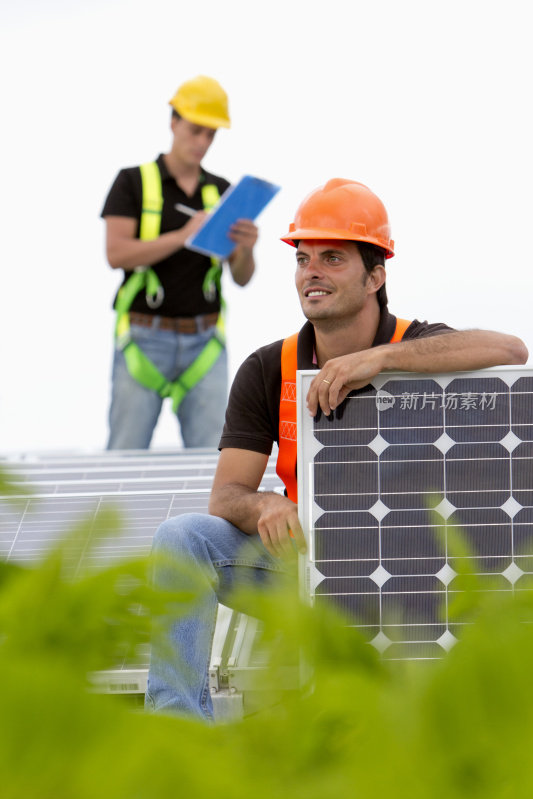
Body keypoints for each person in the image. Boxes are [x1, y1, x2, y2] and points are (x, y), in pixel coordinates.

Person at [145, 178, 528, 720]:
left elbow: (510, 349)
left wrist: (381, 362)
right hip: (307, 570)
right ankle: (175, 729)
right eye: (303, 260)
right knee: (182, 538)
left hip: (416, 580)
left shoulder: (414, 346)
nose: (311, 273)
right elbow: (226, 495)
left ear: (376, 276)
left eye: (332, 258)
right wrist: (265, 505)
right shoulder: (268, 368)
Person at [101, 75, 258, 449]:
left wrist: (247, 249)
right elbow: (116, 254)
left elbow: (241, 277)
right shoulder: (132, 183)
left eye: (210, 135)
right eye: (195, 131)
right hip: (143, 338)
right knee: (125, 455)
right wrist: (182, 236)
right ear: (174, 122)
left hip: (204, 342)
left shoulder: (221, 192)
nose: (202, 142)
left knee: (213, 462)